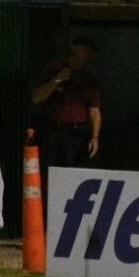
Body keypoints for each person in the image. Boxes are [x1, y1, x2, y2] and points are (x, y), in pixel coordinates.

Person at [32, 35, 101, 198]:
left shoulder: (90, 77)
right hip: (52, 130)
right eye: (86, 50)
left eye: (91, 52)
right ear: (76, 49)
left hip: (76, 134)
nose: (89, 55)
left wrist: (95, 136)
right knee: (48, 173)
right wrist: (57, 81)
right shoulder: (54, 69)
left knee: (71, 175)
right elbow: (36, 98)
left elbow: (94, 110)